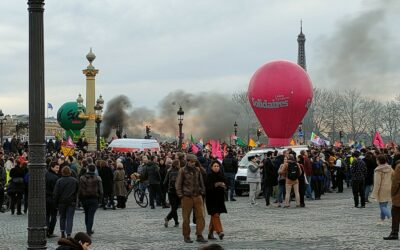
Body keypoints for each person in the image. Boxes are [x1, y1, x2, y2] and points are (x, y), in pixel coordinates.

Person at [175, 153, 207, 243]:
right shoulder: (182, 170)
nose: (193, 163)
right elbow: (178, 184)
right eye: (192, 162)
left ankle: (199, 235)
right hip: (186, 197)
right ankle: (186, 236)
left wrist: (202, 191)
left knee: (201, 217)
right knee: (186, 218)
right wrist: (181, 195)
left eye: (195, 162)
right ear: (188, 161)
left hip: (198, 196)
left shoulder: (198, 170)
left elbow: (201, 182)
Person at [53, 166, 79, 238]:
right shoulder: (74, 181)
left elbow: (56, 193)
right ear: (70, 172)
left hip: (62, 202)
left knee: (62, 217)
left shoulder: (59, 181)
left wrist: (55, 203)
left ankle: (62, 232)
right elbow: (77, 191)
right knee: (70, 218)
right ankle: (69, 233)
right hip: (71, 201)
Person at [79, 163, 103, 236]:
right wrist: (100, 200)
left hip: (85, 198)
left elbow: (80, 190)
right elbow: (101, 191)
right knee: (91, 215)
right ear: (94, 169)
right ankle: (88, 230)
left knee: (87, 214)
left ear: (87, 169)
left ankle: (88, 229)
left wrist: (80, 199)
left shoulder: (82, 178)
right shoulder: (98, 178)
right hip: (94, 198)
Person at [205, 161, 227, 240]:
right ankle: (219, 231)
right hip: (211, 199)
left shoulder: (221, 175)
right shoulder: (209, 176)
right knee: (215, 215)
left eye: (218, 166)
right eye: (215, 166)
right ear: (211, 167)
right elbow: (208, 187)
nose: (216, 167)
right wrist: (217, 184)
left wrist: (224, 185)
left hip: (220, 199)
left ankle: (210, 234)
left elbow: (226, 184)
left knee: (214, 217)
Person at [371, 154, 393, 225]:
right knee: (384, 205)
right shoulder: (390, 168)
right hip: (389, 188)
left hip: (382, 189)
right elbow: (394, 176)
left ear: (378, 161)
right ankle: (381, 220)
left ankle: (392, 218)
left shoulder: (378, 170)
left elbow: (377, 183)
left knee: (382, 206)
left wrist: (374, 193)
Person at [383, 158, 400, 240]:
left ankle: (394, 233)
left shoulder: (399, 166)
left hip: (398, 196)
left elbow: (396, 182)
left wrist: (392, 193)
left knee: (395, 213)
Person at [163, 159, 180, 227]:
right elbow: (165, 182)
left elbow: (165, 182)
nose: (179, 165)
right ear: (176, 165)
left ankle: (169, 219)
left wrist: (168, 189)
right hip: (176, 192)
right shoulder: (179, 171)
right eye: (179, 164)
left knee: (174, 208)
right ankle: (175, 221)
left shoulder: (169, 171)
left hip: (171, 192)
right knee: (174, 208)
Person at [46, 161, 60, 237]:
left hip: (46, 197)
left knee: (47, 215)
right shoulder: (55, 177)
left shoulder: (46, 174)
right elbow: (56, 191)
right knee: (54, 215)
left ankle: (46, 229)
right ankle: (50, 231)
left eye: (58, 167)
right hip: (52, 198)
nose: (58, 169)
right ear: (52, 167)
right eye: (57, 167)